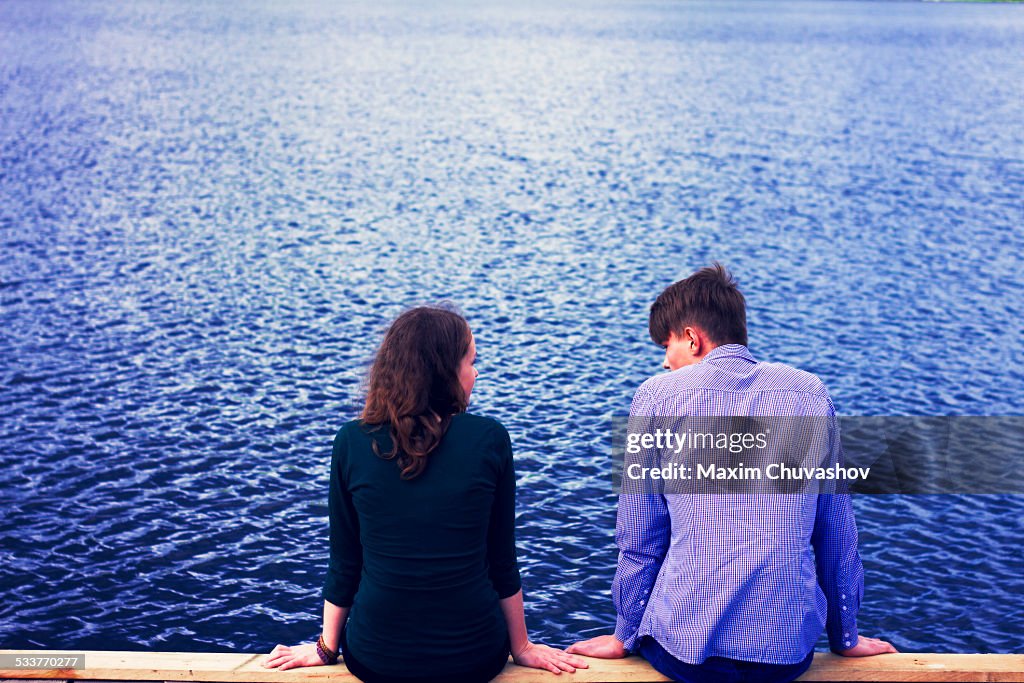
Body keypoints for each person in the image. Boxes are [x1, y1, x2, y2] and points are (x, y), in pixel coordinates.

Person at [568, 264, 897, 683]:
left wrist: (624, 634)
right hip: (786, 656)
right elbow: (836, 532)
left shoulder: (656, 396)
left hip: (685, 655)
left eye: (666, 345)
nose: (666, 363)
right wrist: (846, 636)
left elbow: (640, 538)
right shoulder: (810, 393)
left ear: (691, 338)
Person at [261, 305, 587, 682]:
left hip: (376, 658)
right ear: (443, 372)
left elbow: (345, 561)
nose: (475, 373)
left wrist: (325, 647)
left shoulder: (351, 441)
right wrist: (523, 647)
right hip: (474, 658)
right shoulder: (489, 439)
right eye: (470, 362)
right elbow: (502, 558)